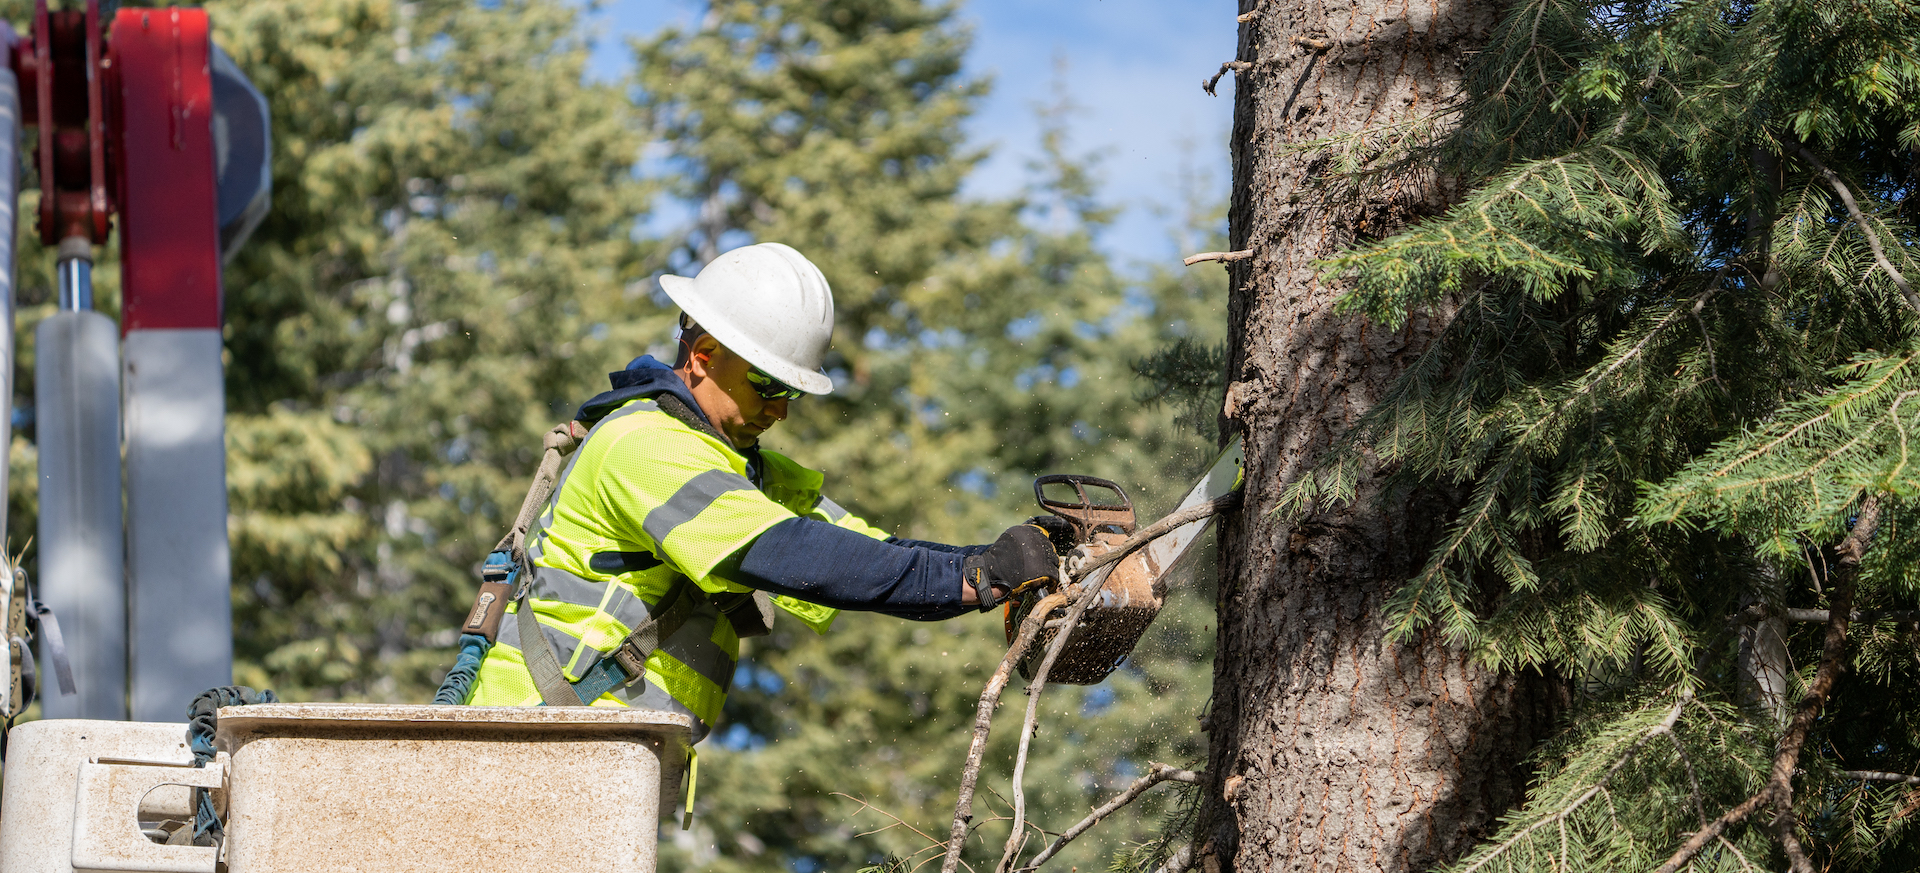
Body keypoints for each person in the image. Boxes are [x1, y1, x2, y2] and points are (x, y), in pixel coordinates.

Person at [466, 243, 1058, 742]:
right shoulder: (644, 445)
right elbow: (796, 555)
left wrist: (999, 564)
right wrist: (985, 577)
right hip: (532, 738)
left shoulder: (743, 473)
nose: (778, 410)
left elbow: (869, 556)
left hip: (594, 744)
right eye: (766, 385)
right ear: (702, 356)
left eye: (791, 393)